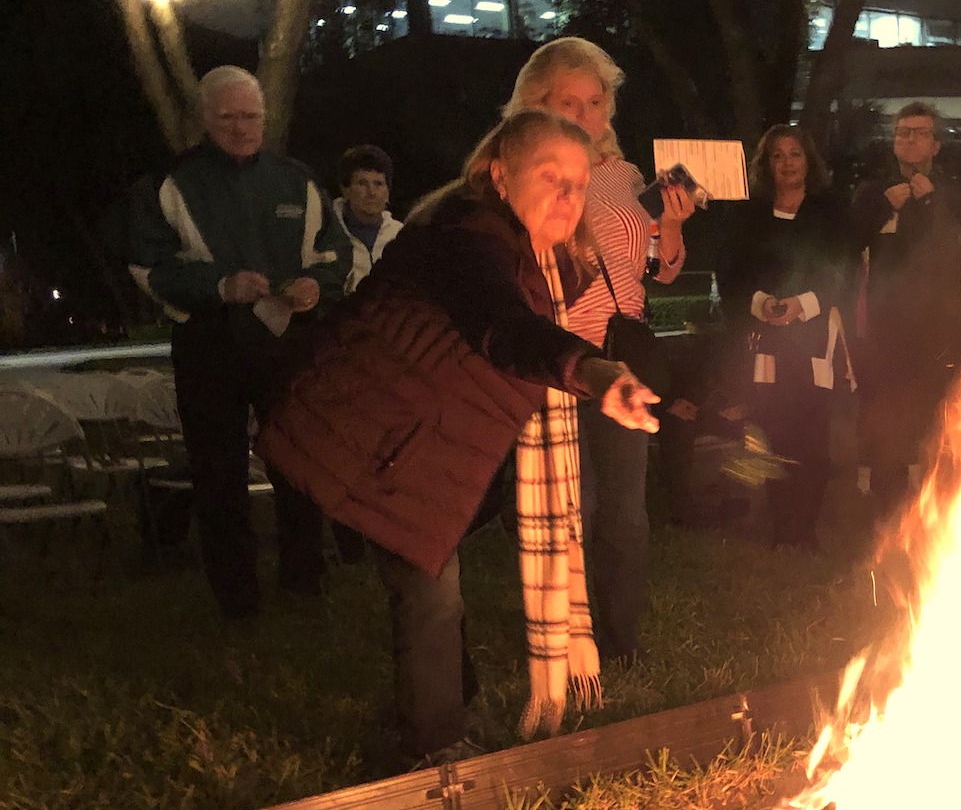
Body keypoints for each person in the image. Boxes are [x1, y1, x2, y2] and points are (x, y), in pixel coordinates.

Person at [258, 111, 660, 763]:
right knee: (429, 585)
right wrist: (590, 368)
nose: (567, 196)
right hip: (376, 433)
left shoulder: (536, 253)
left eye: (579, 184)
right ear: (500, 175)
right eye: (549, 177)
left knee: (434, 568)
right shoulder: (468, 233)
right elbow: (498, 324)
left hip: (421, 441)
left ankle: (446, 704)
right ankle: (436, 748)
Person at [128, 65, 350, 619]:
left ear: (265, 117)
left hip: (286, 343)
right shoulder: (171, 184)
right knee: (218, 471)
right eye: (228, 116)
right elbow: (144, 266)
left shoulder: (297, 180)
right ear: (206, 118)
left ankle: (304, 578)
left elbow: (336, 252)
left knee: (297, 460)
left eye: (250, 115)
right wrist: (219, 286)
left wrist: (313, 285)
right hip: (210, 345)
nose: (240, 126)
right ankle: (236, 598)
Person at [505, 38, 696, 666]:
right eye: (570, 102)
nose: (586, 115)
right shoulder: (519, 171)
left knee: (625, 511)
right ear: (538, 103)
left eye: (595, 101)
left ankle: (620, 640)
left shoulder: (623, 175)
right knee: (570, 506)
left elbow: (658, 270)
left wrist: (669, 224)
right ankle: (567, 636)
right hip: (558, 359)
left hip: (622, 353)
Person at [718, 125, 853, 551]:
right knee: (771, 430)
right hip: (765, 340)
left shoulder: (830, 211)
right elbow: (733, 273)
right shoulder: (751, 214)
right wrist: (761, 304)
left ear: (809, 161)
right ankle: (780, 528)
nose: (787, 163)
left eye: (795, 154)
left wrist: (803, 303)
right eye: (777, 156)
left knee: (812, 435)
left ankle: (806, 528)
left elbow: (845, 271)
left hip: (815, 339)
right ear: (766, 164)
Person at [848, 102, 961, 515]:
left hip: (937, 326)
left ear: (936, 145)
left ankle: (937, 501)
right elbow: (847, 242)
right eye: (902, 132)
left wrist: (929, 206)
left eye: (919, 133)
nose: (909, 139)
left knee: (934, 411)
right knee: (884, 410)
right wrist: (884, 207)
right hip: (886, 325)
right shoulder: (873, 191)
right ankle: (886, 505)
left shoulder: (953, 196)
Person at [335, 144, 403, 294]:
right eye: (362, 183)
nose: (372, 192)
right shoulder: (327, 233)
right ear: (345, 189)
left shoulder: (401, 236)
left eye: (378, 184)